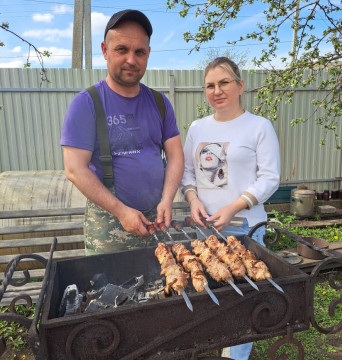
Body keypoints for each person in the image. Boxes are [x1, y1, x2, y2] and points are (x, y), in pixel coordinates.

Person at [60, 9, 184, 255]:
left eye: (140, 52)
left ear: (148, 54)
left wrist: (167, 199)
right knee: (107, 291)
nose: (131, 59)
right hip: (110, 226)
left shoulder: (160, 103)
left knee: (160, 289)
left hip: (156, 224)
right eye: (122, 50)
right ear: (105, 51)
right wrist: (121, 211)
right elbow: (74, 170)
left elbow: (176, 156)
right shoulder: (86, 103)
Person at [180, 57, 280, 359]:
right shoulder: (198, 128)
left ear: (240, 85)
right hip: (206, 232)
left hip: (245, 229)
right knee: (210, 303)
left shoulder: (259, 127)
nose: (217, 90)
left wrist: (235, 205)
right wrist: (194, 200)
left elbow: (270, 177)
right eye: (210, 85)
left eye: (224, 82)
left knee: (241, 307)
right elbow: (187, 172)